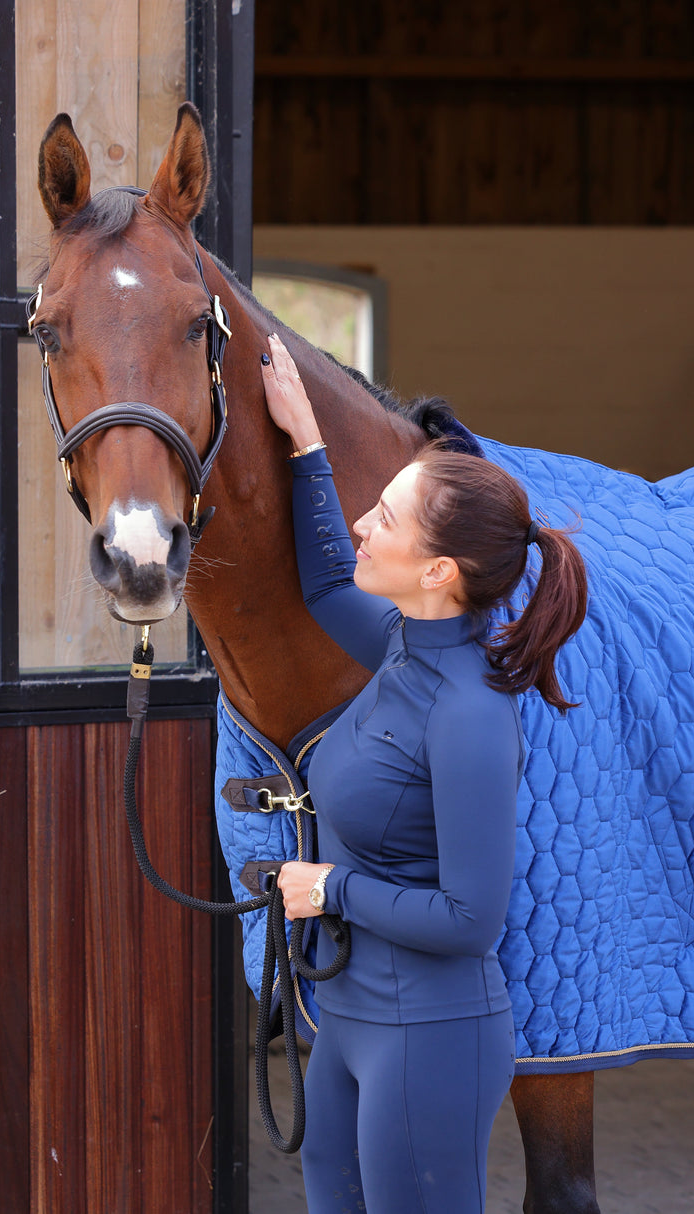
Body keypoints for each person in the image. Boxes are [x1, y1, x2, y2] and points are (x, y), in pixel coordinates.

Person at [260, 332, 588, 1214]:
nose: (366, 523)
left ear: (439, 571)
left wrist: (332, 889)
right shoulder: (407, 647)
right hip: (354, 1023)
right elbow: (331, 585)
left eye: (388, 519)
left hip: (429, 1032)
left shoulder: (470, 713)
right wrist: (307, 446)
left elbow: (473, 918)